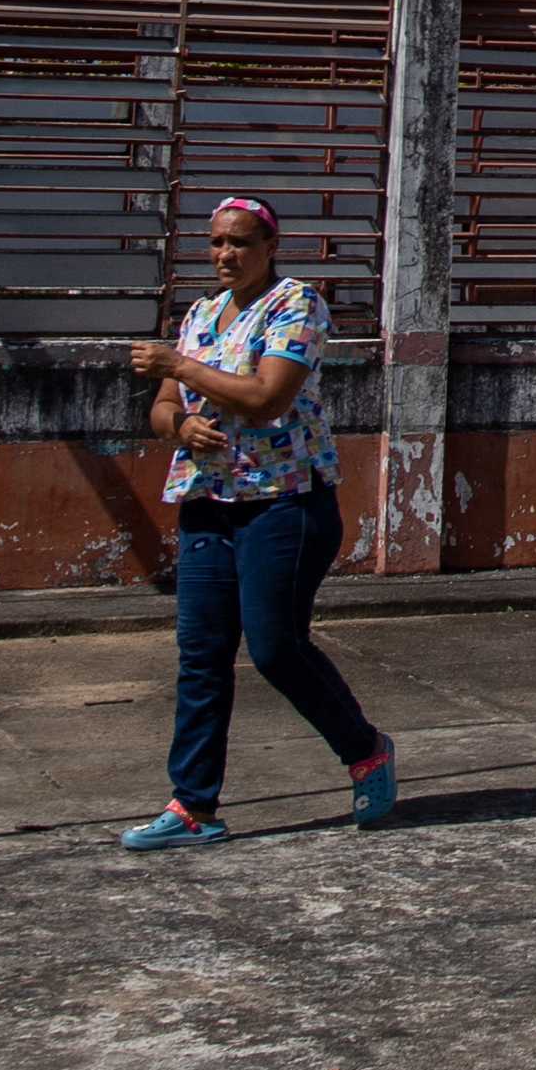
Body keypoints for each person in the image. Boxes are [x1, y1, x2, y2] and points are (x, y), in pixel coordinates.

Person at [113, 193, 398, 849]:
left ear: (270, 247)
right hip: (208, 503)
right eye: (216, 242)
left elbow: (269, 398)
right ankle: (192, 806)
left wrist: (179, 367)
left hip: (283, 501)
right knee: (202, 656)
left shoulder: (295, 306)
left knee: (275, 647)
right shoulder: (201, 315)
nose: (225, 255)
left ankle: (367, 750)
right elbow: (160, 410)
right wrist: (180, 422)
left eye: (240, 242)